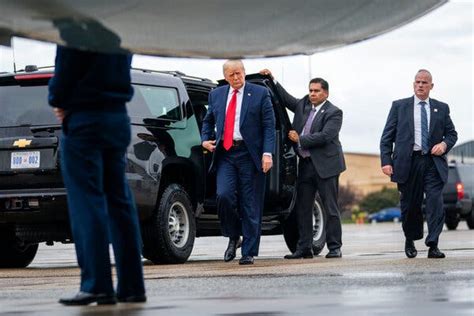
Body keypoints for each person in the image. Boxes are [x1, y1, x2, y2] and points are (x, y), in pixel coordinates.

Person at [48, 46, 146, 305]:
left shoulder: (75, 25)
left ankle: (96, 284)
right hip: (117, 116)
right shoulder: (118, 30)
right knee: (120, 202)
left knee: (86, 201)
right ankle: (132, 285)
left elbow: (67, 67)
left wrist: (57, 100)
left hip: (84, 117)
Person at [259, 69, 346, 259]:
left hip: (327, 166)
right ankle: (304, 247)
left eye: (316, 91)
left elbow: (325, 136)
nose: (312, 94)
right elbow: (284, 98)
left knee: (330, 208)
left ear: (326, 93)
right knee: (303, 207)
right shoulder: (303, 105)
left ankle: (334, 247)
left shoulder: (334, 112)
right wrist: (270, 79)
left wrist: (300, 139)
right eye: (310, 90)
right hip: (305, 165)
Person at [201, 60, 275, 265]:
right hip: (225, 153)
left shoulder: (259, 93)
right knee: (223, 196)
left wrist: (267, 153)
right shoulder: (216, 95)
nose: (236, 77)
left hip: (250, 155)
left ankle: (249, 252)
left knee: (250, 203)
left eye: (239, 73)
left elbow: (269, 126)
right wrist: (204, 139)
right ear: (225, 77)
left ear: (244, 72)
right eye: (231, 75)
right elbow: (208, 120)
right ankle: (234, 236)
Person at [380, 69, 457, 259]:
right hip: (408, 162)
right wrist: (386, 161)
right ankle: (410, 239)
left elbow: (452, 134)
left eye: (424, 82)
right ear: (413, 84)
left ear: (431, 86)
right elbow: (386, 137)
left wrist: (444, 144)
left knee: (434, 202)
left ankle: (433, 244)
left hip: (432, 163)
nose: (420, 85)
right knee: (410, 205)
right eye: (417, 82)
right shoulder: (399, 106)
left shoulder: (442, 108)